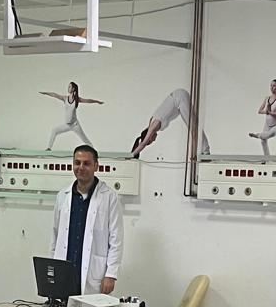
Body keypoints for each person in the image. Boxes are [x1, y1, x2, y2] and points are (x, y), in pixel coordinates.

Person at [50, 144, 123, 296]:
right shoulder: (62, 196)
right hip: (66, 267)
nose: (81, 167)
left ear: (96, 166)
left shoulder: (109, 197)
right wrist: (52, 268)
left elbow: (116, 239)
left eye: (86, 163)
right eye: (77, 163)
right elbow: (55, 236)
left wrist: (111, 274)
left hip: (93, 271)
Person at [131, 87, 210, 159]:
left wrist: (131, 155)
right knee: (195, 124)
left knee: (193, 127)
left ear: (150, 137)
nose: (154, 140)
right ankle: (204, 150)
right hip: (179, 100)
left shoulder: (153, 126)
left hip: (179, 98)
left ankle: (203, 151)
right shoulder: (152, 124)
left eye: (151, 141)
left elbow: (143, 144)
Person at [41, 81, 102, 150]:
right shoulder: (65, 98)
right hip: (67, 125)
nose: (68, 88)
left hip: (75, 125)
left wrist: (97, 101)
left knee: (85, 140)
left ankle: (93, 151)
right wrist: (46, 93)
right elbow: (55, 95)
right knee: (54, 130)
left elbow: (88, 100)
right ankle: (49, 148)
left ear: (73, 89)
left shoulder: (77, 99)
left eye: (70, 86)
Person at [247, 79, 276, 153]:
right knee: (263, 141)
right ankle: (267, 158)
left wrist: (270, 112)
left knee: (270, 134)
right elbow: (259, 111)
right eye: (271, 86)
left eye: (274, 86)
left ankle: (257, 135)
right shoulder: (267, 98)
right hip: (267, 125)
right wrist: (266, 111)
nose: (272, 88)